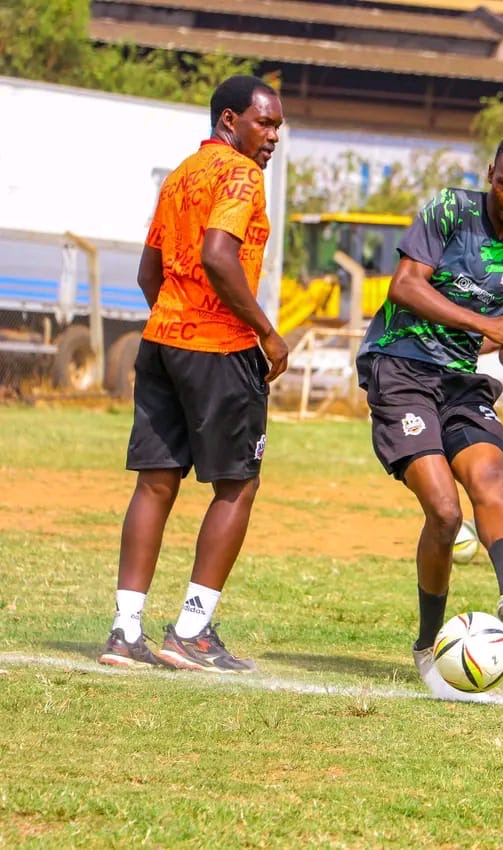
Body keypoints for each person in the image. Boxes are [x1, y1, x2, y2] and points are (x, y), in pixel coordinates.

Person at [355, 132, 503, 692]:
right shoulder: (450, 210)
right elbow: (405, 287)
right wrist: (487, 324)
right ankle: (427, 644)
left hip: (461, 381)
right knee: (444, 513)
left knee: (492, 479)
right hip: (402, 367)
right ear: (490, 174)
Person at [98, 75, 288, 672]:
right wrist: (266, 331)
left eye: (278, 126)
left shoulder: (181, 174)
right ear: (230, 120)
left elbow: (148, 273)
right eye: (264, 123)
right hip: (219, 348)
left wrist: (175, 320)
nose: (273, 136)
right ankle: (191, 631)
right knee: (238, 484)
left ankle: (125, 631)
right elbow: (217, 254)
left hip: (161, 342)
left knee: (155, 483)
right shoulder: (241, 174)